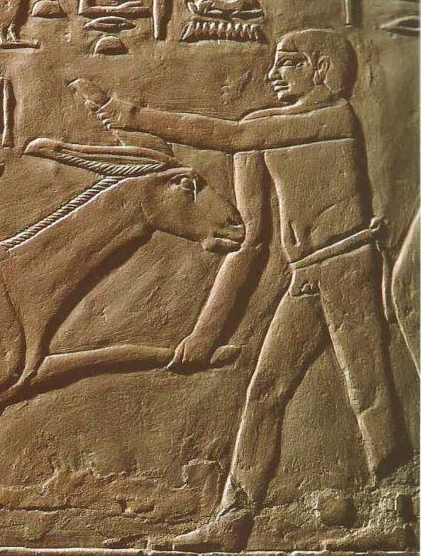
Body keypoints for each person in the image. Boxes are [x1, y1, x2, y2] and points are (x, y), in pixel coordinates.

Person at [86, 29, 410, 551]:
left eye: (289, 63)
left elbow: (234, 136)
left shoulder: (333, 117)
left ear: (322, 69)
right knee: (264, 391)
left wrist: (136, 116)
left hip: (347, 264)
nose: (274, 74)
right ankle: (232, 521)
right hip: (306, 274)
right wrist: (206, 331)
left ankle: (396, 512)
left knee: (366, 384)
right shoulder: (262, 130)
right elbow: (249, 242)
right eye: (275, 64)